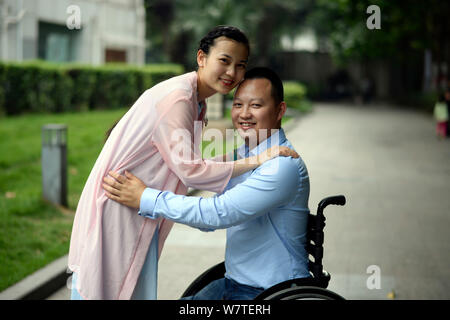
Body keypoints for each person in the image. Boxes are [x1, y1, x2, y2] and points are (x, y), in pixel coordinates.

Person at [68, 27, 299, 300]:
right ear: (201, 58)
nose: (232, 73)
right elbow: (191, 171)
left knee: (126, 288)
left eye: (240, 66)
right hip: (121, 203)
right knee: (107, 289)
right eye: (224, 61)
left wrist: (247, 159)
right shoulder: (179, 98)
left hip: (137, 206)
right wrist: (254, 160)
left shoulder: (195, 102)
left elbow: (196, 171)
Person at [103, 67, 311, 300]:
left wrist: (145, 197)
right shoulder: (246, 154)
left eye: (255, 105)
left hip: (269, 292)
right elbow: (199, 171)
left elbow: (215, 214)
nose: (244, 114)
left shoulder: (282, 167)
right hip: (234, 282)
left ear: (279, 110)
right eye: (237, 104)